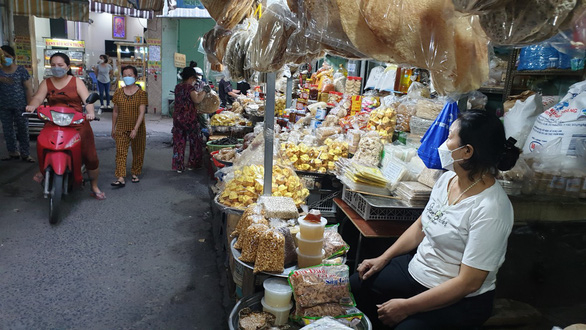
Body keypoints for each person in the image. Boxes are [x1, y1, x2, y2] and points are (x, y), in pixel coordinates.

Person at [350, 110, 521, 329]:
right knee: (356, 285)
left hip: (459, 298)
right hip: (418, 270)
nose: (443, 143)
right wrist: (384, 258)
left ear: (467, 151)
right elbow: (423, 224)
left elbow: (468, 283)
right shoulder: (448, 179)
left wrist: (406, 307)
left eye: (450, 137)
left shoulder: (492, 209)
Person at [26, 53, 106, 200]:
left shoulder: (76, 82)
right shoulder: (46, 82)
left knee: (90, 156)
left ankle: (94, 186)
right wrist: (32, 106)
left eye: (60, 65)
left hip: (76, 122)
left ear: (68, 67)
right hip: (53, 121)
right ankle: (42, 169)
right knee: (43, 142)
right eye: (54, 65)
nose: (57, 68)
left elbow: (87, 101)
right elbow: (38, 97)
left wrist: (90, 113)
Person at [110, 65, 148, 187]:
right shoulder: (118, 93)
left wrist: (135, 129)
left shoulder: (141, 93)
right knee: (120, 152)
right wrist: (113, 127)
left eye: (130, 75)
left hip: (138, 128)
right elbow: (115, 111)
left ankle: (135, 173)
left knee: (138, 151)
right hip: (121, 126)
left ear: (135, 77)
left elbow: (142, 112)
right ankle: (120, 177)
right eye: (125, 75)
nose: (127, 77)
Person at [172, 67, 210, 173]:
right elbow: (197, 99)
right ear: (191, 77)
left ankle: (178, 166)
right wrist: (204, 91)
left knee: (179, 142)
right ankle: (193, 164)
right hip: (189, 119)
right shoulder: (190, 88)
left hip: (178, 118)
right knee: (195, 141)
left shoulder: (177, 87)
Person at [0, 45, 34, 162]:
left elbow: (28, 88)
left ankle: (26, 154)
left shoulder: (21, 70)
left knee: (23, 129)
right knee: (7, 130)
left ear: (13, 57)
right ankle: (13, 152)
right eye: (2, 56)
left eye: (7, 56)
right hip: (4, 106)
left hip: (21, 106)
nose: (5, 58)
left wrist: (30, 105)